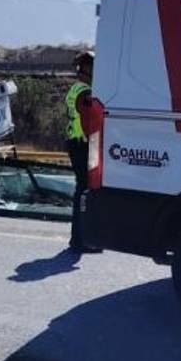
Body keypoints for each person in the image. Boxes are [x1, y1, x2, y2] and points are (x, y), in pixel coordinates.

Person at [65, 50, 100, 253]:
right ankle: (81, 240)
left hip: (75, 143)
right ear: (86, 68)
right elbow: (89, 123)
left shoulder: (75, 89)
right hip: (84, 145)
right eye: (94, 66)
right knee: (85, 192)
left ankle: (79, 239)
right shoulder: (85, 92)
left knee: (82, 191)